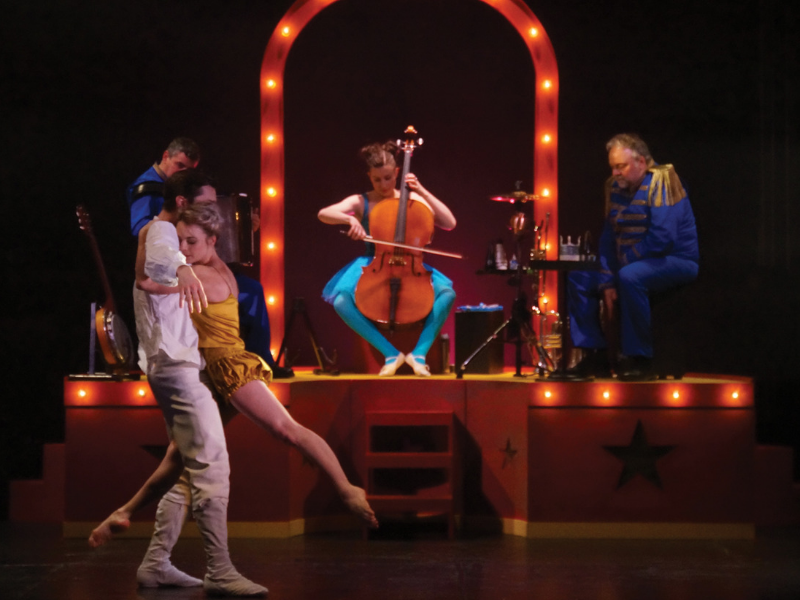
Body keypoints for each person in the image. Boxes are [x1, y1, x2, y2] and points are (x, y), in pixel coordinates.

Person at [89, 197, 378, 573]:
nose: (183, 249)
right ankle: (124, 512)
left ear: (212, 240)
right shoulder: (217, 265)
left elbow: (146, 283)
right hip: (210, 371)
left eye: (191, 241)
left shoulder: (202, 275)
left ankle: (346, 489)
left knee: (286, 428)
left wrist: (147, 238)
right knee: (178, 457)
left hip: (228, 366)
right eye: (179, 241)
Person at [126, 168, 268, 596]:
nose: (213, 209)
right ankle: (219, 571)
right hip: (175, 365)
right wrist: (183, 270)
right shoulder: (162, 232)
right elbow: (155, 266)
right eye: (207, 202)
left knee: (190, 467)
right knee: (211, 465)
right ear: (183, 202)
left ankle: (156, 564)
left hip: (177, 363)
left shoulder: (172, 234)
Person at [126, 137, 290, 376]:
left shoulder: (188, 192)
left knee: (248, 290)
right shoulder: (148, 190)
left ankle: (255, 359)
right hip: (167, 268)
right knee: (245, 292)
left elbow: (202, 235)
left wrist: (243, 231)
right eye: (179, 166)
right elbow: (144, 231)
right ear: (165, 156)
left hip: (190, 263)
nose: (183, 173)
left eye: (188, 169)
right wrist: (178, 255)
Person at [317, 141, 457, 376]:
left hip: (411, 263)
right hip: (373, 262)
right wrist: (349, 219)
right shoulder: (361, 201)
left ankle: (419, 354)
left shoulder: (412, 199)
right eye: (376, 179)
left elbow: (449, 222)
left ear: (397, 173)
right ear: (369, 177)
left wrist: (421, 190)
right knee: (341, 302)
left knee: (447, 294)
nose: (383, 184)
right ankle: (391, 353)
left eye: (388, 178)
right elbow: (324, 213)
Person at [567, 133, 699, 381]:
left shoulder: (663, 182)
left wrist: (619, 271)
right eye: (613, 167)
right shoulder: (615, 187)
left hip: (676, 260)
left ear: (641, 161)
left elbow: (662, 239)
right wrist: (606, 279)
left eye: (621, 166)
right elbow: (608, 238)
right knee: (580, 277)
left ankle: (640, 357)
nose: (615, 173)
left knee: (630, 277)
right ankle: (595, 353)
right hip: (631, 263)